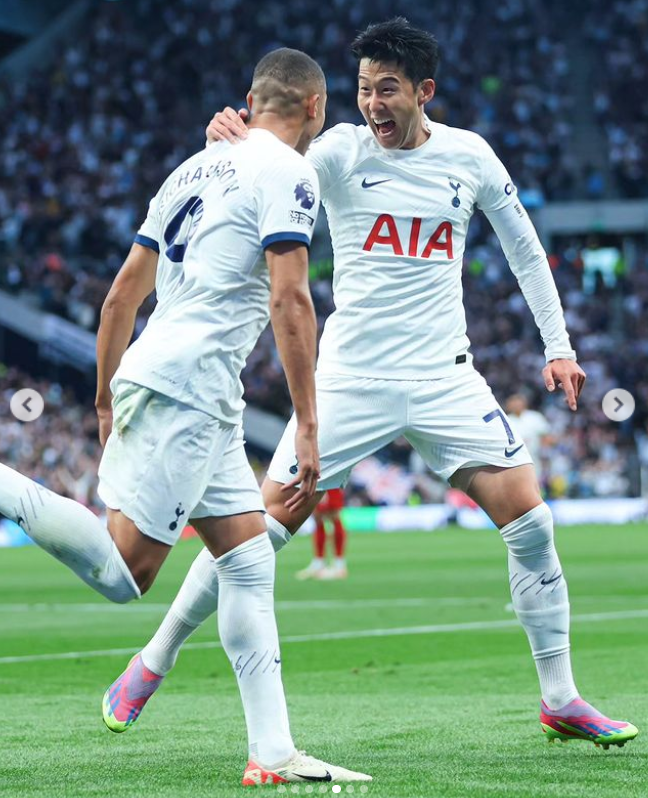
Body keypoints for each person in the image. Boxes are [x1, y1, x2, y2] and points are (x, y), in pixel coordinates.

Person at [103, 18, 637, 749]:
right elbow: (266, 170)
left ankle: (561, 697)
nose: (373, 105)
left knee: (533, 523)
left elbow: (526, 249)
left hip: (445, 376)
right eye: (362, 91)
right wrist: (231, 136)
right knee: (252, 537)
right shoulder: (336, 152)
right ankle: (152, 660)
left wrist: (559, 345)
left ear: (425, 91)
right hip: (348, 379)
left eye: (387, 89)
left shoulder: (470, 157)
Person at [0, 48, 371, 785]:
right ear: (315, 108)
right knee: (123, 573)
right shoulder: (289, 172)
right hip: (190, 385)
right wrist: (306, 420)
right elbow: (291, 299)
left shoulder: (190, 169)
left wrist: (106, 395)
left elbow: (120, 299)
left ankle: (272, 754)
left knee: (247, 557)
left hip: (178, 380)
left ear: (250, 99)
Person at [296, 488, 348, 580]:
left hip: (330, 479)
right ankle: (319, 563)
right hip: (317, 481)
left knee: (333, 514)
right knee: (317, 517)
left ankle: (339, 565)